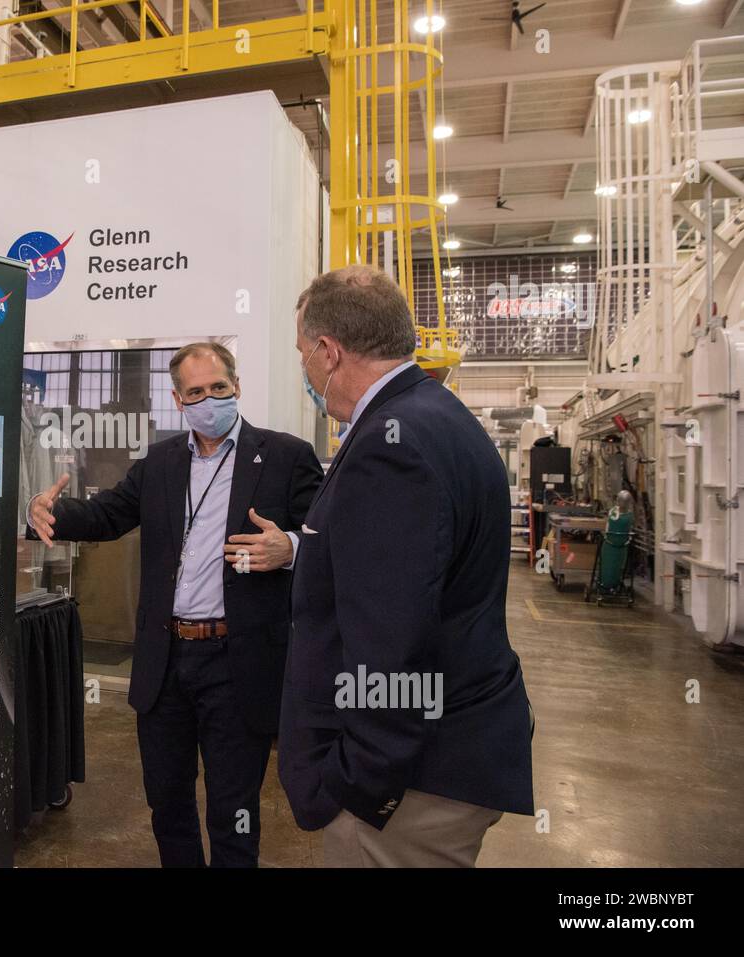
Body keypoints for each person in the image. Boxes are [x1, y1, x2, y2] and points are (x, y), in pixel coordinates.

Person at [29, 342, 322, 866]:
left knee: (233, 812)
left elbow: (331, 539)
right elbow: (108, 515)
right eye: (195, 392)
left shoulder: (285, 456)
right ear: (177, 399)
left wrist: (292, 548)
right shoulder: (161, 462)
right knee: (167, 806)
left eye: (218, 388)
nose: (209, 399)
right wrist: (50, 510)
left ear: (237, 388)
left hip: (237, 663)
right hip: (165, 663)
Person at [279, 265, 534, 867]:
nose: (306, 373)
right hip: (451, 746)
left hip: (409, 785)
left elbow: (391, 639)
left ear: (328, 350)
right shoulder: (436, 416)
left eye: (302, 356)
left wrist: (360, 781)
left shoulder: (389, 450)